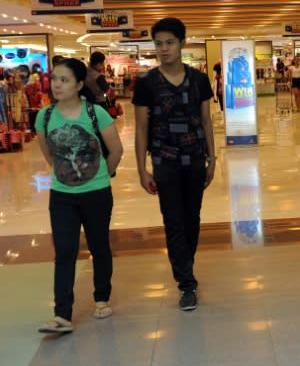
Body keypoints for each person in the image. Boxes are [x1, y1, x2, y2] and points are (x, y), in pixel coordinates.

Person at [132, 17, 216, 311]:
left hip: (194, 159)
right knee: (174, 223)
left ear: (182, 43)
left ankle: (186, 266)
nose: (164, 48)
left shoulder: (199, 80)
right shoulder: (146, 83)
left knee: (192, 220)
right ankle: (186, 283)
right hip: (164, 161)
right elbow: (141, 128)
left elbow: (206, 120)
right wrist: (141, 169)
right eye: (158, 43)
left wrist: (212, 157)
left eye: (169, 42)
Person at [35, 58, 123, 333]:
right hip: (61, 195)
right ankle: (62, 314)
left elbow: (116, 150)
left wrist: (99, 177)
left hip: (96, 193)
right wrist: (67, 176)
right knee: (64, 251)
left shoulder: (96, 113)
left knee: (99, 246)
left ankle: (101, 298)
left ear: (79, 84)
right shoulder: (45, 116)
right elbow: (48, 154)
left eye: (64, 80)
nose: (57, 85)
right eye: (55, 79)